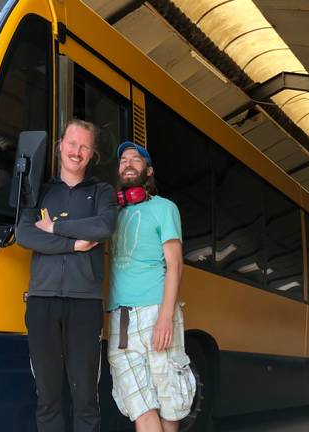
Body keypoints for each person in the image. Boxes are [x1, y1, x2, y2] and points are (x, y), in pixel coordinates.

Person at [16, 119, 118, 432]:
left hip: (85, 303)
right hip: (42, 301)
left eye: (84, 146)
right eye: (72, 144)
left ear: (92, 154)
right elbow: (24, 234)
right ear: (60, 145)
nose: (77, 152)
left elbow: (104, 227)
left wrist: (56, 228)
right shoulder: (39, 190)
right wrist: (75, 244)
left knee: (86, 395)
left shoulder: (102, 191)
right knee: (47, 396)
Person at [107, 142, 196, 432]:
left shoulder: (164, 208)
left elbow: (175, 264)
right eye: (123, 160)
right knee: (139, 405)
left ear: (149, 170)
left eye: (136, 159)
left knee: (169, 403)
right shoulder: (111, 213)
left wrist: (166, 317)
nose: (128, 163)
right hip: (120, 318)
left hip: (156, 310)